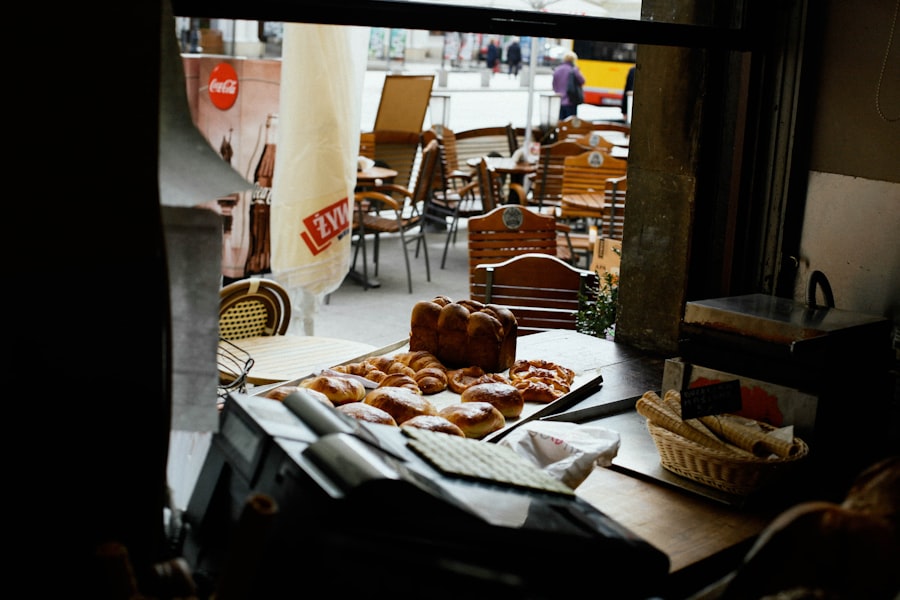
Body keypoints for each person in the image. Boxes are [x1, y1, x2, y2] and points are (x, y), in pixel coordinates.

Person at [552, 51, 585, 121]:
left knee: (561, 122)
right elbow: (582, 81)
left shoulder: (557, 69)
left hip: (560, 100)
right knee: (570, 124)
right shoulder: (574, 70)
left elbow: (554, 85)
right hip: (571, 101)